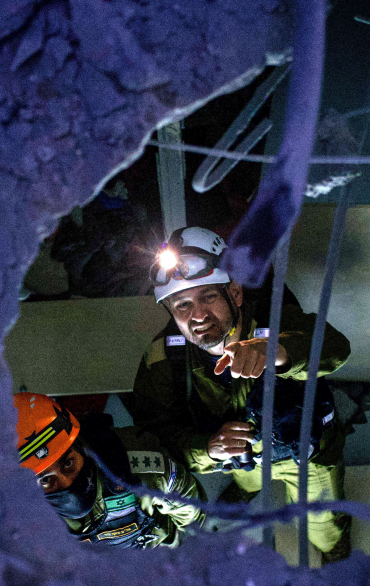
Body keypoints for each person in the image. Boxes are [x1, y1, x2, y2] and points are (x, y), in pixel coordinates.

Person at [126, 227, 351, 554]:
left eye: (208, 296)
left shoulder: (275, 319)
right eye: (182, 305)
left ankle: (336, 553)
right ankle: (246, 489)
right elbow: (156, 435)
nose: (198, 315)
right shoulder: (163, 360)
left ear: (235, 293)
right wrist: (208, 449)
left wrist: (276, 351)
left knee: (323, 526)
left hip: (306, 455)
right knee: (248, 479)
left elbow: (336, 348)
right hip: (240, 459)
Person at [14, 392, 204, 548]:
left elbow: (191, 511)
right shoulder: (19, 523)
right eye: (45, 480)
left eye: (68, 463)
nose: (67, 484)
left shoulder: (139, 465)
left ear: (80, 445)